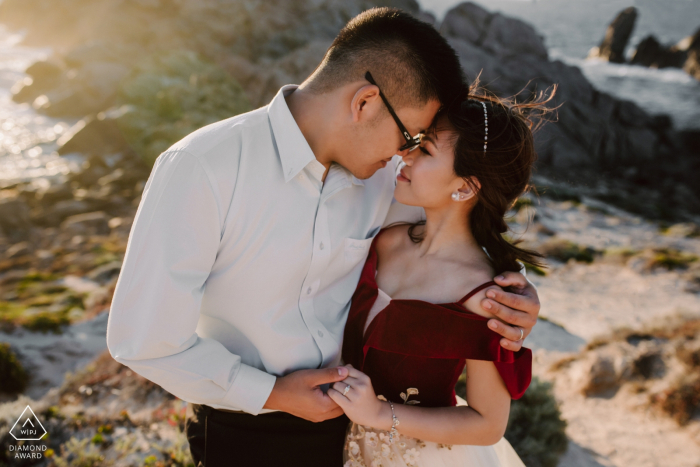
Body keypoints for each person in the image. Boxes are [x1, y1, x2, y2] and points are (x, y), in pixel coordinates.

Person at [105, 8, 542, 466]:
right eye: (409, 136)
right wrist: (273, 393)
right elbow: (143, 340)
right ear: (365, 103)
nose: (404, 154)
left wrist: (516, 295)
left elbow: (458, 225)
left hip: (352, 432)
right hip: (246, 429)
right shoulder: (203, 167)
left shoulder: (385, 177)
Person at [332, 86, 556, 467]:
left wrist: (379, 415)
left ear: (465, 187)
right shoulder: (387, 241)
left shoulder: (485, 298)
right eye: (416, 143)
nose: (406, 154)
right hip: (337, 447)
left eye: (426, 150)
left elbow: (488, 424)